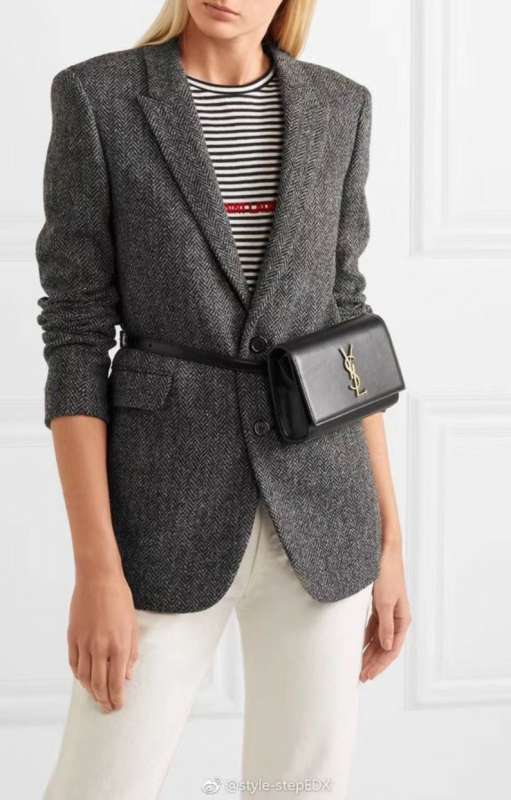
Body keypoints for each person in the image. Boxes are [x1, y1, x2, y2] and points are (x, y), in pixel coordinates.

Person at [35, 1, 411, 797]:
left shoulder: (339, 107)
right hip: (160, 513)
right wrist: (96, 568)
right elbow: (75, 335)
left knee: (301, 786)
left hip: (324, 507)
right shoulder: (98, 98)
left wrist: (389, 542)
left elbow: (345, 324)